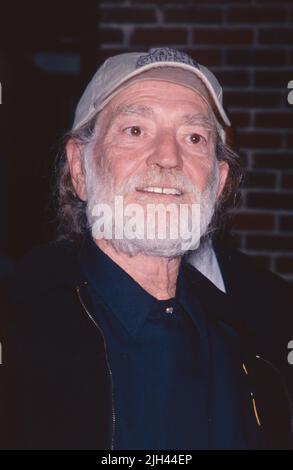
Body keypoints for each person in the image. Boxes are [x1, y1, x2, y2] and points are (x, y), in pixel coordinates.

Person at [1, 47, 292, 450]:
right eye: (135, 130)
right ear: (80, 168)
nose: (169, 157)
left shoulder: (260, 337)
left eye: (194, 137)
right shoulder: (19, 333)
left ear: (219, 182)